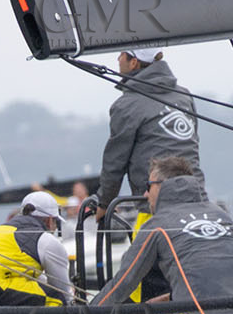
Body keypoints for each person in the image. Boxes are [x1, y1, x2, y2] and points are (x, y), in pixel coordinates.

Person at [74, 156, 233, 314]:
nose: (145, 195)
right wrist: (171, 298)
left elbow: (124, 282)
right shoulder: (221, 215)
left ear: (162, 186)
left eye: (148, 186)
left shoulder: (157, 225)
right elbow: (216, 275)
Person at [86, 48, 203, 214]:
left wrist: (104, 203)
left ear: (133, 62)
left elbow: (115, 161)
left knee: (143, 240)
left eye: (121, 54)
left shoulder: (127, 105)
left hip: (153, 206)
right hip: (197, 202)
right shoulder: (184, 96)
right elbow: (194, 144)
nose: (117, 58)